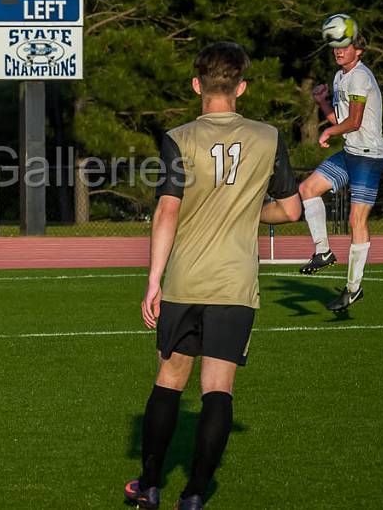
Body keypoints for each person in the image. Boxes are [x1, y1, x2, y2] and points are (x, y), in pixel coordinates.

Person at [124, 42, 301, 510]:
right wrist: (243, 210)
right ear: (241, 86)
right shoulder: (269, 136)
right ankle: (197, 492)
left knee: (169, 380)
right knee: (217, 389)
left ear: (196, 85)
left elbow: (167, 210)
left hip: (185, 279)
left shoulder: (179, 137)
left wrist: (153, 280)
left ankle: (150, 483)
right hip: (235, 284)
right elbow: (290, 209)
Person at [297, 14, 383, 313]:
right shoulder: (339, 77)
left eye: (345, 45)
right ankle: (323, 253)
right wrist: (324, 103)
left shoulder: (361, 76)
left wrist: (328, 131)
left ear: (358, 50)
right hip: (351, 152)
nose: (338, 50)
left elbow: (355, 121)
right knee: (308, 188)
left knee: (355, 221)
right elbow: (341, 120)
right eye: (335, 46)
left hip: (369, 156)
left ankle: (352, 288)